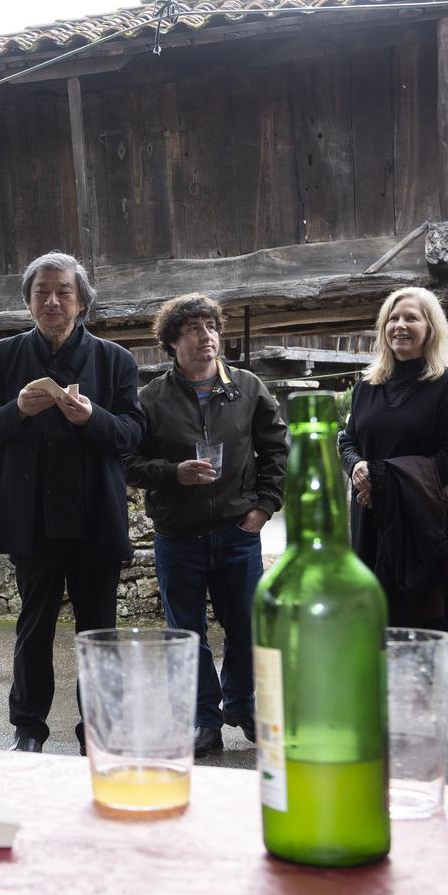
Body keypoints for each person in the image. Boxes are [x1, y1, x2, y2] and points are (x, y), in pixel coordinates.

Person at [0, 252, 144, 753]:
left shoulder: (115, 360)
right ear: (28, 302)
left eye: (63, 291)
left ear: (82, 301)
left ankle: (99, 733)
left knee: (99, 630)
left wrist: (93, 417)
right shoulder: (3, 356)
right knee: (34, 623)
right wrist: (17, 410)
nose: (51, 300)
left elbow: (133, 432)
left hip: (95, 515)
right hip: (31, 516)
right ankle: (27, 729)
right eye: (40, 292)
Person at [125, 293, 286, 755]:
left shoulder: (248, 387)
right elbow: (128, 462)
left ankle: (242, 704)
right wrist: (173, 472)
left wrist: (264, 507)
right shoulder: (150, 399)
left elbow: (276, 450)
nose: (206, 336)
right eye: (194, 329)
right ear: (172, 342)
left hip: (238, 533)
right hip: (179, 536)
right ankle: (204, 721)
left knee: (247, 627)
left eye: (211, 327)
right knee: (187, 634)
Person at [339, 287, 448, 670]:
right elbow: (348, 438)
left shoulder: (447, 383)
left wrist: (380, 479)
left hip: (424, 515)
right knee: (376, 605)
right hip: (372, 516)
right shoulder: (367, 386)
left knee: (428, 608)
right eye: (394, 319)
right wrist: (356, 467)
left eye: (412, 318)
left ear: (431, 328)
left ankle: (430, 706)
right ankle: (383, 703)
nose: (401, 325)